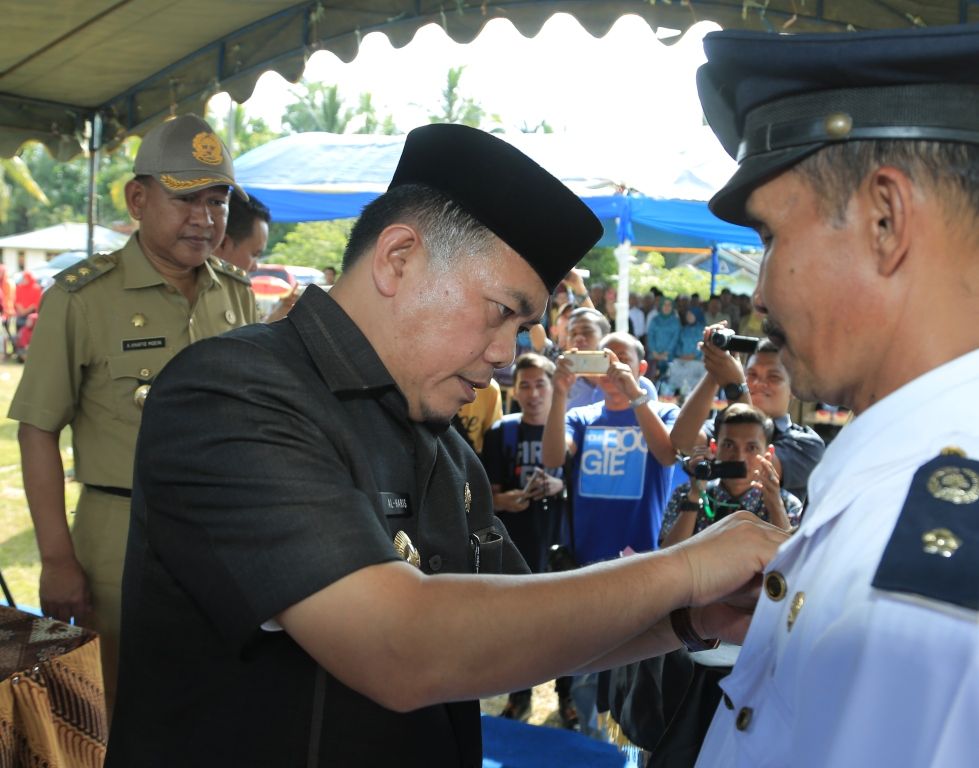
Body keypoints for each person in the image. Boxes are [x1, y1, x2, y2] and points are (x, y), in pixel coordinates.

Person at [105, 123, 787, 767]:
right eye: (501, 313)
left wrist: (693, 619)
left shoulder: (436, 438)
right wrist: (686, 566)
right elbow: (400, 649)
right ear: (398, 259)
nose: (503, 354)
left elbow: (533, 626)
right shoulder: (230, 394)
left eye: (522, 328)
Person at [692, 24, 979, 766]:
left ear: (885, 221)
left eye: (768, 238)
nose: (758, 292)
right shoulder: (901, 494)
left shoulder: (913, 565)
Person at [7, 114, 256, 716]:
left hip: (226, 537)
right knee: (119, 711)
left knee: (217, 705)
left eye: (218, 200)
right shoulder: (82, 297)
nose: (205, 217)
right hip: (121, 537)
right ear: (138, 199)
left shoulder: (235, 292)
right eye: (186, 198)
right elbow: (38, 430)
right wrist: (58, 559)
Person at [480, 353, 575, 727]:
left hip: (560, 546)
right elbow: (487, 492)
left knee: (567, 626)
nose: (533, 393)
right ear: (514, 390)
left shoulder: (572, 431)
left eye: (541, 384)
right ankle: (519, 695)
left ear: (554, 388)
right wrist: (505, 501)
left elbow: (583, 487)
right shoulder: (501, 432)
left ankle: (567, 697)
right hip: (516, 542)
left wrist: (561, 485)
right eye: (525, 385)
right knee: (520, 627)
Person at [672, 333, 824, 505]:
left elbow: (750, 469)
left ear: (793, 388)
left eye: (773, 377)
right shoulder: (721, 428)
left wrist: (735, 387)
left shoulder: (806, 444)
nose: (759, 383)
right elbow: (682, 441)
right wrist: (716, 367)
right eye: (751, 375)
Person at [661, 403, 801, 548]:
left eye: (751, 448)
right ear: (714, 448)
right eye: (729, 445)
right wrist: (694, 498)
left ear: (768, 454)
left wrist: (776, 507)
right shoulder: (687, 493)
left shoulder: (787, 503)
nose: (739, 457)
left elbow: (793, 561)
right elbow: (666, 557)